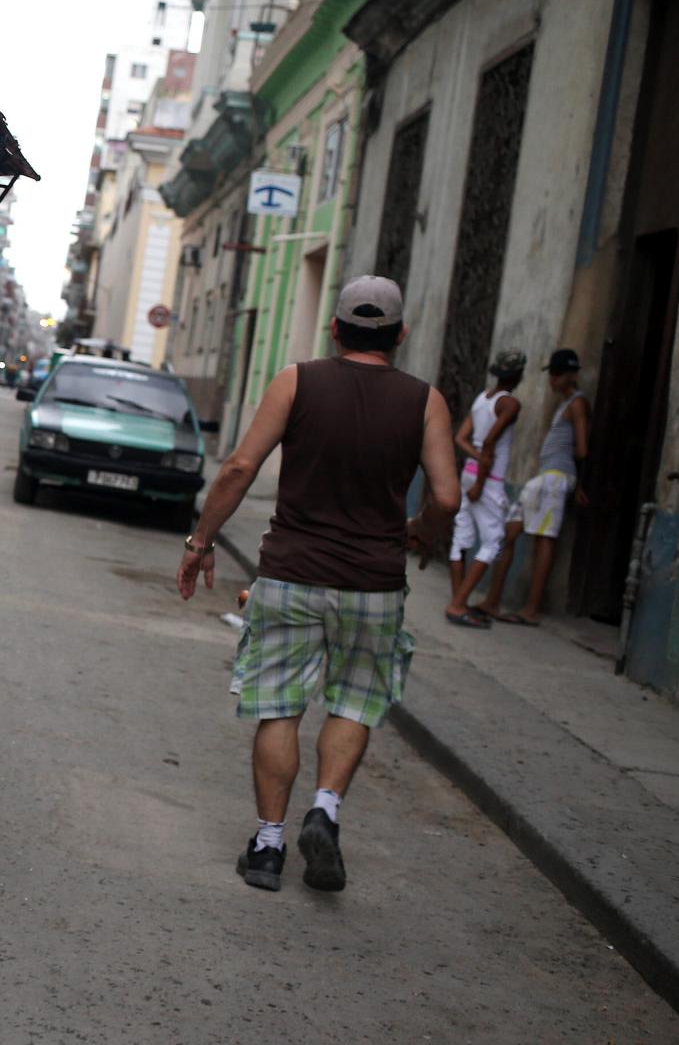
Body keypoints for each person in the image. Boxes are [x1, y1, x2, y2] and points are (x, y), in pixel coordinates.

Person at [176, 275, 459, 894]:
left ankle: (268, 847)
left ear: (334, 329)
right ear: (400, 335)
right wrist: (421, 533)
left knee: (280, 705)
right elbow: (446, 496)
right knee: (354, 702)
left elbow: (240, 467)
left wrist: (201, 543)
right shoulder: (426, 401)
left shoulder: (296, 381)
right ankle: (325, 810)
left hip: (292, 574)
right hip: (374, 584)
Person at [476, 348, 590, 626]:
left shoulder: (577, 404)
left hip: (556, 476)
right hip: (545, 476)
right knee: (509, 533)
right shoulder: (565, 404)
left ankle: (531, 610)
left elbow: (582, 449)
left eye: (555, 374)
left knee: (544, 539)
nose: (551, 380)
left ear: (567, 376)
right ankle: (492, 601)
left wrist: (580, 482)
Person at [443, 350, 525, 627]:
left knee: (461, 536)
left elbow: (461, 438)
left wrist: (476, 461)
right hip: (488, 479)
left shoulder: (482, 399)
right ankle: (457, 605)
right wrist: (481, 479)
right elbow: (490, 443)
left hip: (469, 472)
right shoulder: (510, 404)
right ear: (519, 375)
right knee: (494, 542)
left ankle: (459, 600)